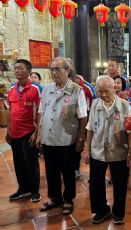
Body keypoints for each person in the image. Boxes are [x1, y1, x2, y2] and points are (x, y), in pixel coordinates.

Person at [37, 57, 87, 215]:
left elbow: (83, 116)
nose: (54, 73)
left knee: (67, 171)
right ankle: (55, 197)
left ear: (67, 70)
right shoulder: (46, 89)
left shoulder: (77, 90)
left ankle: (68, 199)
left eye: (57, 69)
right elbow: (41, 112)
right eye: (51, 69)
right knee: (51, 170)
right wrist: (39, 135)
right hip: (48, 138)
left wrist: (81, 138)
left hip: (66, 139)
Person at [84, 75, 131, 225]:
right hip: (98, 150)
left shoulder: (124, 105)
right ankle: (102, 210)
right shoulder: (95, 104)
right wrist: (87, 150)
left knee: (120, 183)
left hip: (119, 150)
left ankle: (118, 212)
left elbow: (130, 131)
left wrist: (130, 152)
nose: (103, 95)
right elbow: (90, 128)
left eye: (107, 91)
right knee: (96, 183)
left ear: (114, 88)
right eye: (100, 91)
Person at [6, 59, 41, 203]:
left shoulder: (35, 89)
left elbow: (40, 112)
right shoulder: (12, 90)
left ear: (28, 71)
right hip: (14, 133)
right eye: (15, 68)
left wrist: (37, 133)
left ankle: (34, 191)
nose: (16, 70)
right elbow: (10, 111)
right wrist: (8, 130)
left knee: (31, 163)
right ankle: (23, 189)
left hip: (29, 132)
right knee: (18, 162)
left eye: (20, 68)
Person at [66, 59, 97, 179]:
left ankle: (75, 168)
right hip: (65, 122)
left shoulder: (85, 87)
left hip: (81, 120)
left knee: (76, 146)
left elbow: (94, 103)